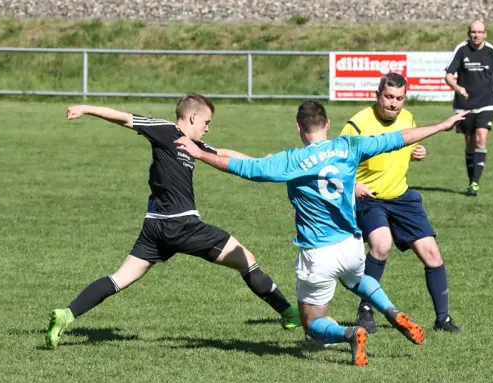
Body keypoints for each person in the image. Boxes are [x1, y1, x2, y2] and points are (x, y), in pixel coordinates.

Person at [174, 100, 468, 366]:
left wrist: (199, 154)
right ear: (327, 124)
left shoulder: (292, 161)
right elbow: (398, 138)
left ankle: (350, 333)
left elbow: (246, 168)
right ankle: (392, 312)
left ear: (299, 127)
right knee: (355, 278)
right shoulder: (349, 146)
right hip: (351, 245)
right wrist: (441, 126)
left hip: (319, 253)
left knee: (311, 325)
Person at [45, 92, 301, 349]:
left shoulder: (192, 145)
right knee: (247, 259)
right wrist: (86, 108)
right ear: (192, 117)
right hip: (182, 225)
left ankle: (66, 315)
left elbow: (221, 153)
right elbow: (125, 118)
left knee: (119, 278)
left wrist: (260, 162)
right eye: (207, 122)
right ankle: (289, 313)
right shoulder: (165, 130)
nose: (208, 128)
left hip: (155, 228)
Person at [340, 72, 461, 335]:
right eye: (388, 97)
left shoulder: (407, 119)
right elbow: (336, 165)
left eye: (399, 99)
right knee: (381, 244)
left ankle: (443, 320)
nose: (393, 104)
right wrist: (353, 186)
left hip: (402, 197)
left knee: (432, 254)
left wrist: (417, 152)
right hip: (369, 198)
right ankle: (366, 309)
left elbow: (407, 145)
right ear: (377, 95)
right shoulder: (357, 124)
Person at [444, 19, 493, 197]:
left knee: (481, 139)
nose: (476, 35)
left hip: (486, 102)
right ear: (468, 33)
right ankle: (472, 180)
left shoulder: (490, 51)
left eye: (479, 32)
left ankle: (476, 183)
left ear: (485, 34)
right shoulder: (462, 49)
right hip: (465, 105)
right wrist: (458, 88)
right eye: (473, 32)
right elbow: (448, 75)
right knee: (470, 143)